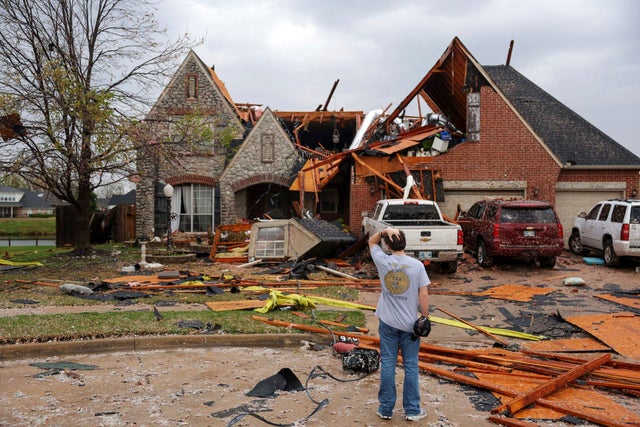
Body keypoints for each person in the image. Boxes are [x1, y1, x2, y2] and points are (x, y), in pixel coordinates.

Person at [368, 227, 430, 422]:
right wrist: (425, 318)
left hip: (387, 322)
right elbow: (424, 294)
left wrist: (385, 230)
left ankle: (386, 409)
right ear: (405, 243)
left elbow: (371, 242)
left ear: (387, 245)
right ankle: (412, 410)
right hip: (411, 326)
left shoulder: (382, 261)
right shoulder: (417, 265)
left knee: (387, 364)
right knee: (411, 366)